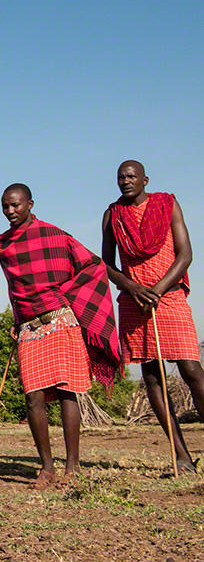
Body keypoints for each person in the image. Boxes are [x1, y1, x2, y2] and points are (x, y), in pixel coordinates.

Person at [0, 183, 119, 489]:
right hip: (29, 327)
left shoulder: (54, 235)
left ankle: (73, 466)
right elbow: (14, 287)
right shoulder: (1, 244)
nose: (11, 211)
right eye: (6, 207)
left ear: (30, 204)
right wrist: (17, 317)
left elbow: (92, 265)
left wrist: (64, 295)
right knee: (33, 397)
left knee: (66, 393)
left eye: (16, 205)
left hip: (60, 320)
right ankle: (47, 467)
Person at [102, 160, 202, 473]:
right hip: (134, 302)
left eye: (131, 176)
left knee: (191, 369)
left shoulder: (168, 205)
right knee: (152, 376)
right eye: (120, 177)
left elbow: (185, 255)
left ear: (145, 179)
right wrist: (132, 287)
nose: (125, 181)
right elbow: (105, 264)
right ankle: (182, 457)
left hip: (168, 295)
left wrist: (157, 289)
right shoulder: (112, 214)